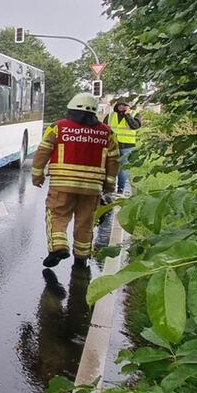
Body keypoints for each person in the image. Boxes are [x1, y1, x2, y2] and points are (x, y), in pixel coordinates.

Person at [32, 93, 120, 268]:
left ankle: (58, 247)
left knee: (57, 215)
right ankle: (81, 258)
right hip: (92, 188)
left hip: (62, 186)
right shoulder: (107, 132)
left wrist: (38, 175)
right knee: (85, 222)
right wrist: (109, 185)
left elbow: (43, 152)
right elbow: (114, 160)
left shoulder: (58, 127)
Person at [104, 101, 141, 195]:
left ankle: (120, 189)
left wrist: (127, 114)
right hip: (112, 145)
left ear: (128, 106)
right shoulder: (111, 115)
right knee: (110, 166)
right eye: (120, 105)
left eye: (124, 105)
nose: (122, 107)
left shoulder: (134, 114)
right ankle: (109, 189)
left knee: (123, 168)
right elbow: (104, 129)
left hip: (127, 145)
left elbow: (135, 126)